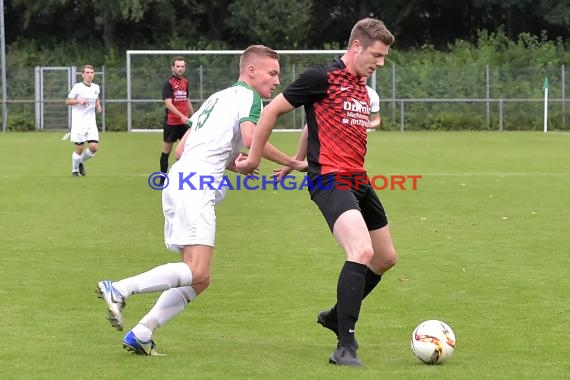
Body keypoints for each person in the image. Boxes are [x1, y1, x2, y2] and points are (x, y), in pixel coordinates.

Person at [96, 45, 306, 356]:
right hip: (195, 188)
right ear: (251, 71)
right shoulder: (250, 98)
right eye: (272, 73)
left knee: (199, 278)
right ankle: (121, 289)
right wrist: (294, 162)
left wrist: (234, 163)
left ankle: (141, 333)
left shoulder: (216, 98)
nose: (277, 81)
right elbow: (252, 140)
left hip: (179, 179)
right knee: (196, 271)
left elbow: (182, 150)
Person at [237, 18, 397, 367]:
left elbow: (315, 122)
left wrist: (295, 159)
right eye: (376, 55)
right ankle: (345, 346)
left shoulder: (360, 84)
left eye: (384, 57)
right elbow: (271, 112)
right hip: (329, 179)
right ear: (356, 46)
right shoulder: (320, 76)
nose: (380, 63)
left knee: (385, 258)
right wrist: (252, 158)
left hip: (358, 178)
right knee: (361, 249)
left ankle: (336, 316)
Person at [160, 56, 195, 182]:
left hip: (184, 122)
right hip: (172, 122)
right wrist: (181, 116)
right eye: (178, 66)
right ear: (173, 68)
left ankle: (181, 176)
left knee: (187, 149)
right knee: (167, 150)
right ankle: (162, 178)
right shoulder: (168, 84)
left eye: (182, 66)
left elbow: (186, 99)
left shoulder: (185, 82)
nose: (180, 69)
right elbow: (168, 103)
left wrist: (194, 116)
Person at [66, 65, 102, 176]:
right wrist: (78, 101)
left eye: (92, 72)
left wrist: (98, 106)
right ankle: (75, 171)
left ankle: (80, 161)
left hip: (91, 123)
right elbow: (67, 101)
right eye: (87, 72)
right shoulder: (77, 87)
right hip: (79, 123)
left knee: (94, 147)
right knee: (79, 148)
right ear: (83, 74)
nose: (90, 74)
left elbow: (96, 99)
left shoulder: (96, 87)